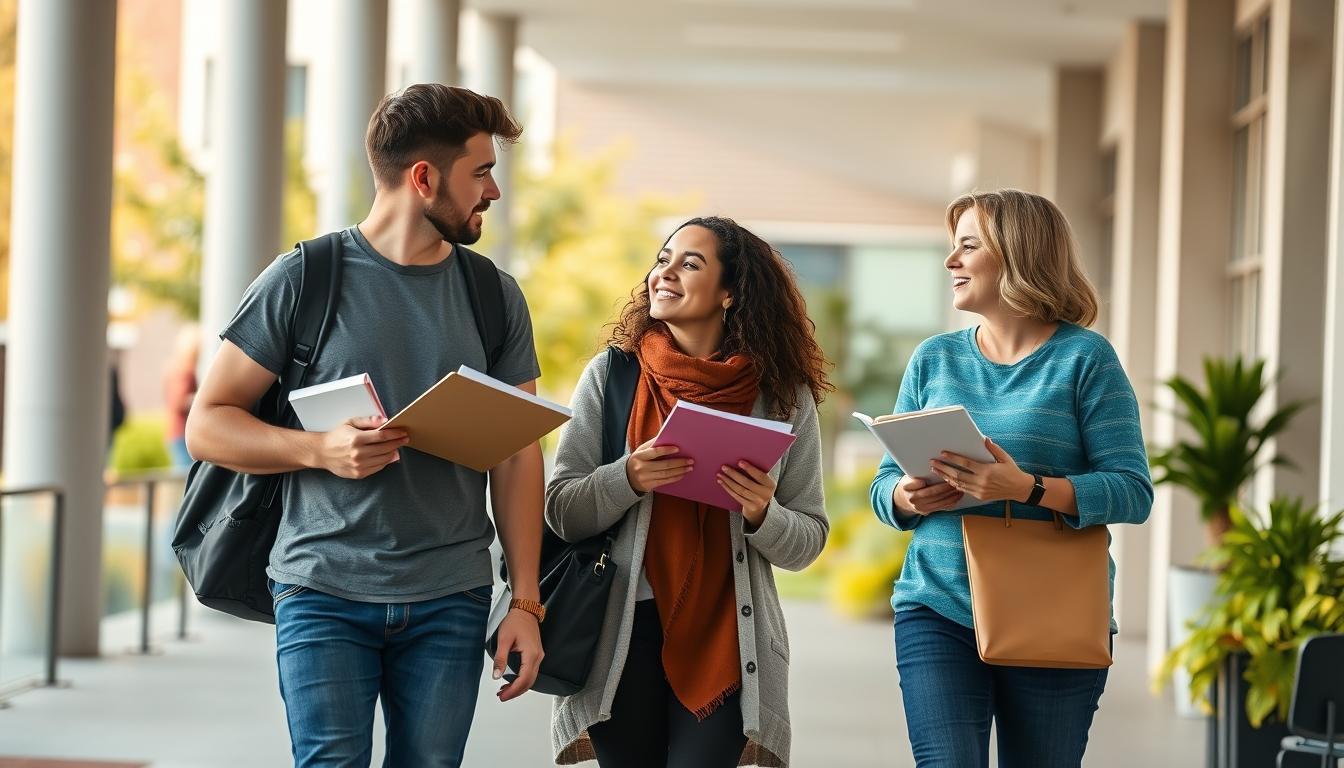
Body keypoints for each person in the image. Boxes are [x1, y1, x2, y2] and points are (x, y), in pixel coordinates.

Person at [186, 84, 545, 767]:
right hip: (321, 589)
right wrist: (319, 449)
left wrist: (525, 601)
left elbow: (518, 454)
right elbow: (208, 425)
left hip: (452, 594)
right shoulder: (303, 279)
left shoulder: (493, 297)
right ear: (423, 178)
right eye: (481, 172)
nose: (492, 192)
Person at [868, 188, 1153, 768]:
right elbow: (882, 486)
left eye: (968, 246)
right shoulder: (933, 358)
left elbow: (1132, 490)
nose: (951, 262)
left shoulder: (1086, 359)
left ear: (1018, 256)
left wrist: (1023, 488)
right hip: (936, 604)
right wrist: (906, 496)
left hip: (1054, 608)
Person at [545, 217, 831, 768]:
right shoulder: (612, 376)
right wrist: (627, 477)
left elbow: (809, 540)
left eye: (689, 263)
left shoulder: (782, 396)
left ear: (729, 294)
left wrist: (762, 512)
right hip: (618, 640)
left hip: (727, 641)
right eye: (662, 258)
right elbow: (561, 510)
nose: (664, 272)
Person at [162, 324, 198, 468]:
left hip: (174, 431)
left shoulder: (172, 368)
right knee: (184, 476)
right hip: (182, 432)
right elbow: (178, 402)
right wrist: (198, 399)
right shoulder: (185, 372)